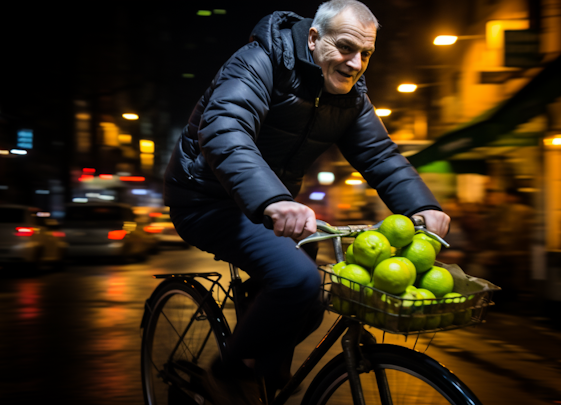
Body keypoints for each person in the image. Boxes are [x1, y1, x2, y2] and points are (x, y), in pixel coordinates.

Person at [164, 1, 450, 403]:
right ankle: (226, 375)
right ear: (314, 38)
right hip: (204, 199)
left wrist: (424, 206)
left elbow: (381, 156)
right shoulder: (262, 60)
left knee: (310, 302)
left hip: (266, 205)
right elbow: (225, 129)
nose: (355, 63)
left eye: (366, 53)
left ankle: (259, 369)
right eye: (346, 47)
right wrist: (274, 200)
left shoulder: (349, 98)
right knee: (299, 281)